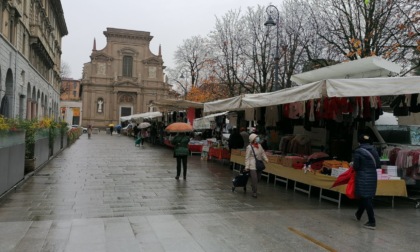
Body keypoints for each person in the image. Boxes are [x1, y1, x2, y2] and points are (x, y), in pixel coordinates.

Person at [353, 134, 381, 230]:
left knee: (366, 198)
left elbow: (356, 167)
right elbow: (378, 165)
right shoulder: (374, 150)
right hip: (372, 176)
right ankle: (359, 214)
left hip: (362, 177)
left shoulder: (358, 151)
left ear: (359, 142)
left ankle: (372, 221)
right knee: (365, 196)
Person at [245, 133, 268, 198]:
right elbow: (247, 158)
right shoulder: (249, 147)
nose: (258, 139)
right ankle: (254, 192)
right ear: (253, 139)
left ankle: (253, 185)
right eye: (256, 138)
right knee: (254, 179)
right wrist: (247, 166)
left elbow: (263, 153)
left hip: (259, 164)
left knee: (258, 178)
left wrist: (266, 159)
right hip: (252, 166)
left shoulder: (259, 146)